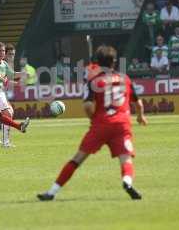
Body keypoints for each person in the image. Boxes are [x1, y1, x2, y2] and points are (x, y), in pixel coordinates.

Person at [37, 45, 147, 201]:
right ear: (114, 62)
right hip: (122, 125)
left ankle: (52, 192)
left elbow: (88, 106)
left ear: (98, 63)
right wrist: (141, 116)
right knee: (126, 158)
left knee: (77, 159)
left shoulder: (94, 81)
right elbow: (138, 103)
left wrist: (94, 119)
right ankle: (127, 182)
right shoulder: (125, 79)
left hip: (101, 124)